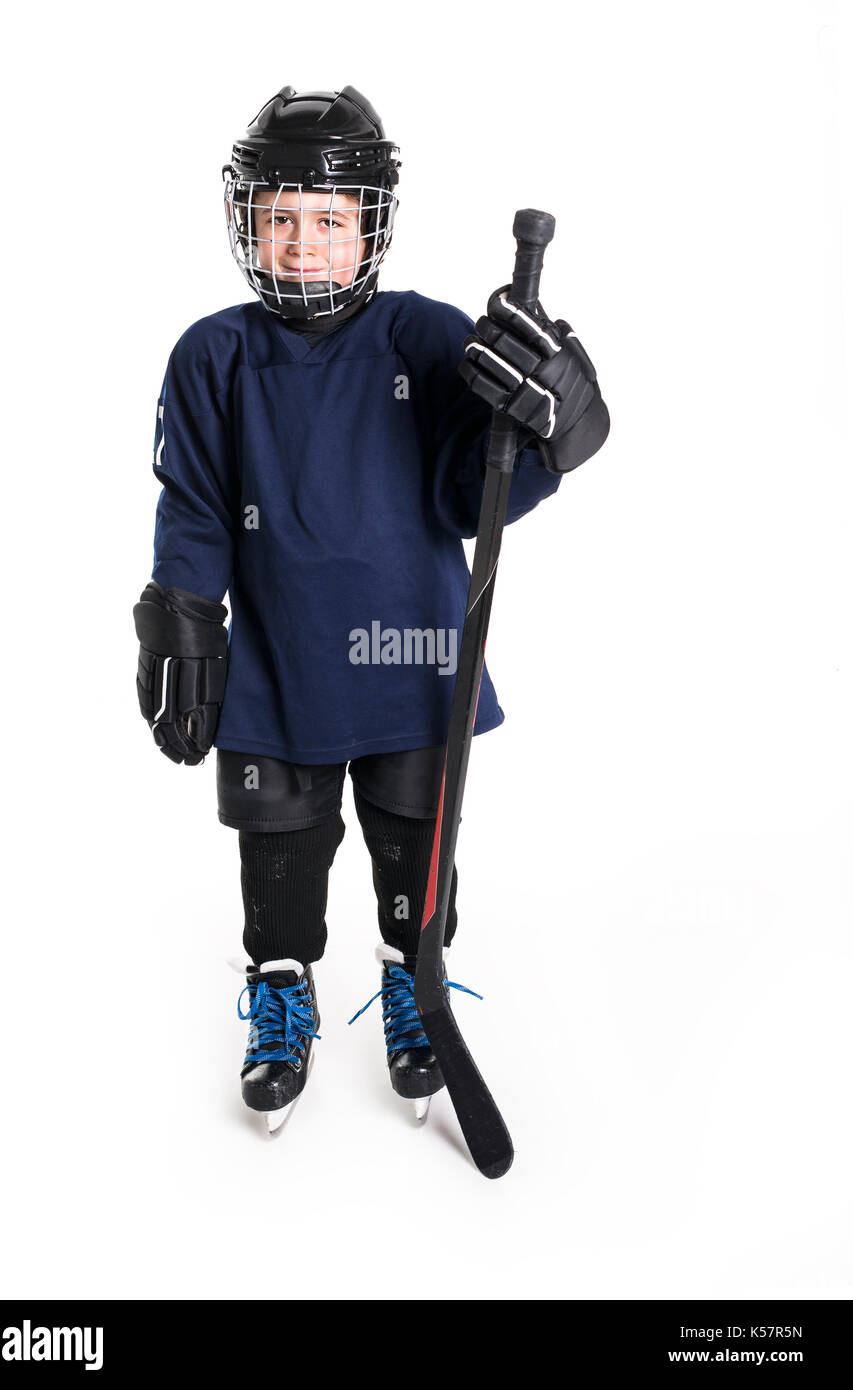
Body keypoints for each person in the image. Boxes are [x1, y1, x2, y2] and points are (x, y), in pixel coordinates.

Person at [134, 85, 610, 1133]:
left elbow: (465, 492)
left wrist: (543, 441)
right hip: (273, 665)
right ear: (247, 221)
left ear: (371, 227)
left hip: (412, 657)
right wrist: (181, 607)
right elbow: (196, 506)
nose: (304, 243)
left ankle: (415, 976)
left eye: (329, 219)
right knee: (280, 856)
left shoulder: (425, 337)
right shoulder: (210, 355)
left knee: (412, 849)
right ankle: (280, 988)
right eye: (282, 217)